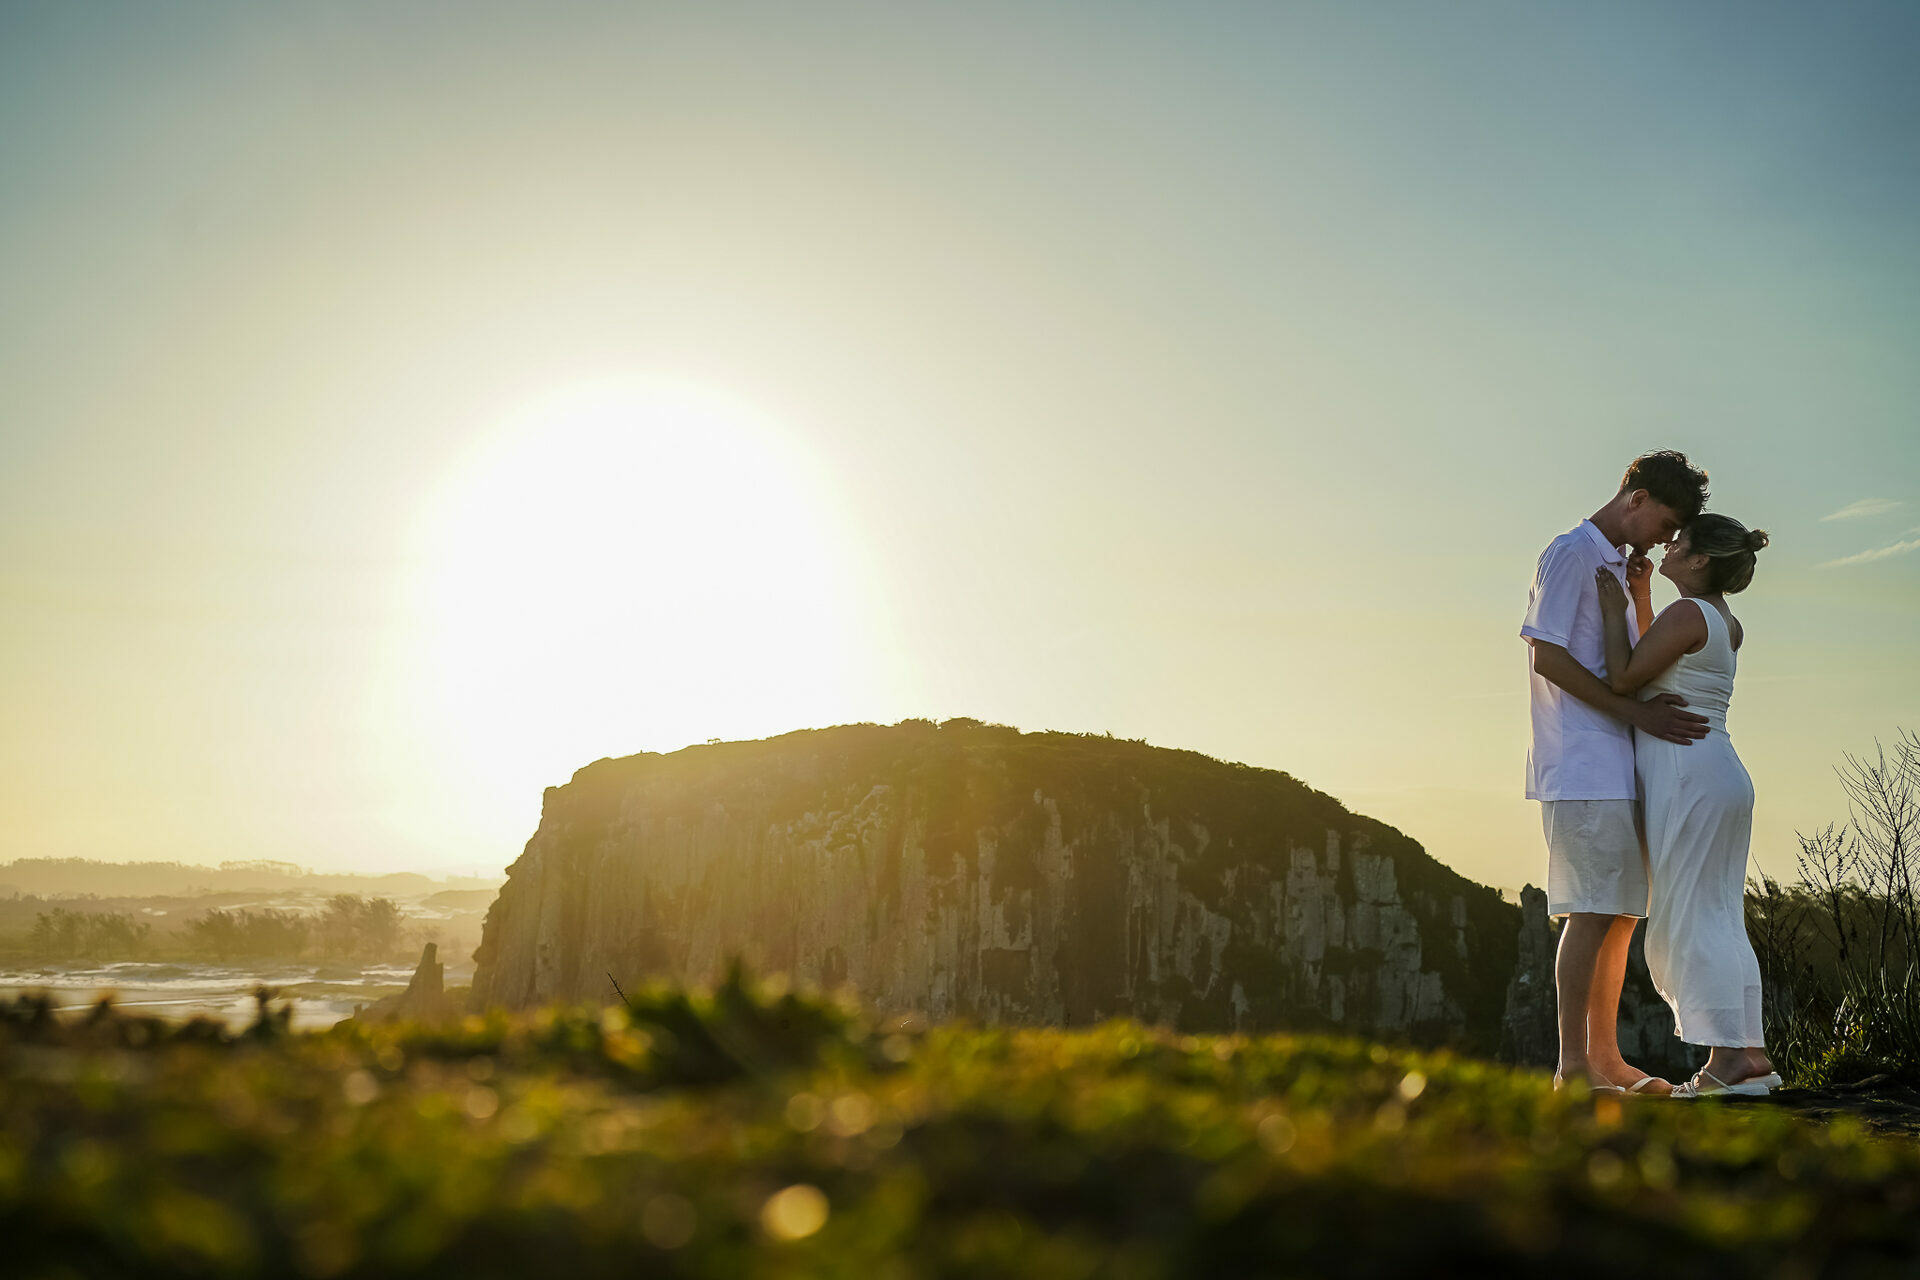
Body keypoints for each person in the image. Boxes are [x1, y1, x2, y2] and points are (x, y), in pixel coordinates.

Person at [1521, 450, 1711, 1095]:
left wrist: (1640, 594)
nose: (1665, 538)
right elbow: (1547, 657)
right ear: (1637, 498)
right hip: (1581, 762)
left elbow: (1630, 659)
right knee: (1590, 911)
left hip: (1619, 763)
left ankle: (1607, 1062)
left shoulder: (1616, 566)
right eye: (1666, 523)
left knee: (1621, 914)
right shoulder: (1570, 553)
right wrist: (1636, 713)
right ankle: (1572, 1068)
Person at [1595, 514, 1779, 1097]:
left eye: (1680, 542)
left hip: (1688, 777)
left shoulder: (1689, 614)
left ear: (1699, 560)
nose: (1669, 545)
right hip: (1718, 773)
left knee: (1691, 916)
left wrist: (1613, 609)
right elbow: (1663, 662)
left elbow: (1625, 677)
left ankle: (1730, 1061)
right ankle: (1748, 1055)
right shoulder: (1722, 620)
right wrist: (1642, 597)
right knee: (1718, 912)